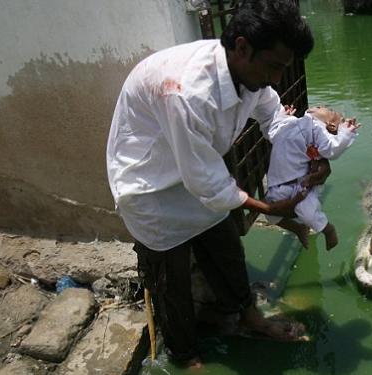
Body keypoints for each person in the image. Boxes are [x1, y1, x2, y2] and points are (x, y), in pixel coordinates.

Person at [106, 0, 325, 369]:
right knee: (170, 282)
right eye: (273, 66)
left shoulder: (250, 74)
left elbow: (273, 117)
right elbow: (205, 182)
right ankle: (185, 354)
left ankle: (247, 317)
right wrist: (270, 210)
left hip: (196, 172)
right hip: (151, 189)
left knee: (226, 249)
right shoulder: (185, 92)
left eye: (282, 68)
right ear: (242, 47)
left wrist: (311, 151)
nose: (276, 78)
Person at [265, 105, 359, 250]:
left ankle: (328, 230)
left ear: (331, 124)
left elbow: (332, 149)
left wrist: (346, 133)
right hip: (278, 183)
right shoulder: (293, 122)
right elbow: (273, 133)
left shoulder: (317, 129)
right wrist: (282, 116)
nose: (319, 106)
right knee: (270, 215)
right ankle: (298, 229)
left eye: (328, 110)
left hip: (298, 184)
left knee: (308, 214)